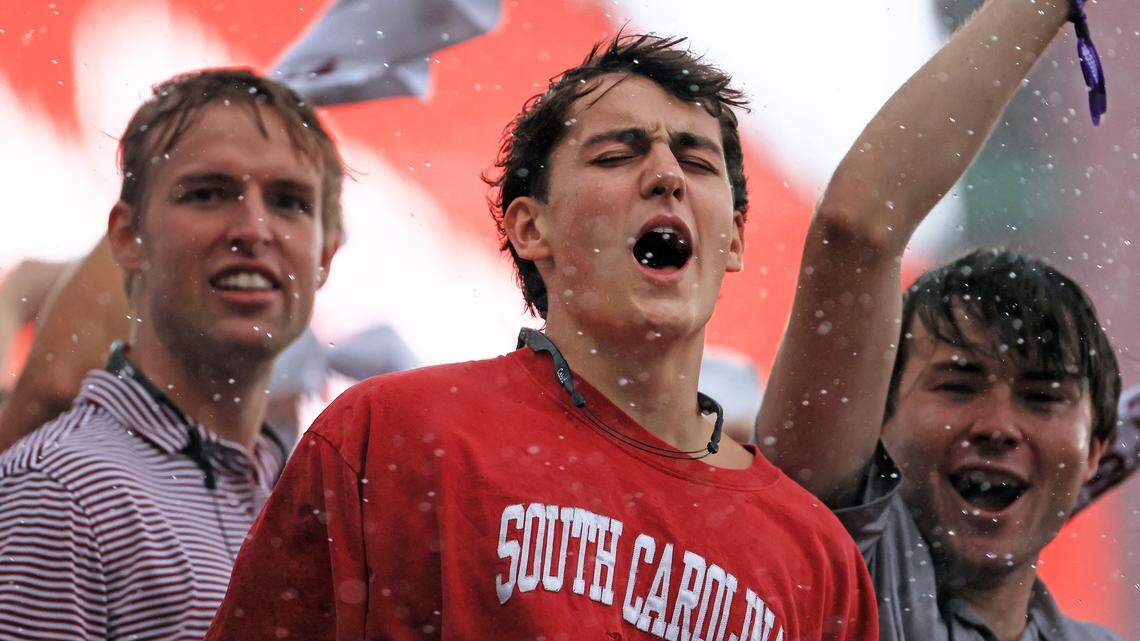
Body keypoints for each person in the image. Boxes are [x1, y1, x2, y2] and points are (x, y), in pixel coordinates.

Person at [206, 34, 878, 641]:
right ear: (531, 228)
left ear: (731, 239)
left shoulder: (817, 557)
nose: (668, 176)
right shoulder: (392, 435)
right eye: (618, 153)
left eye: (698, 163)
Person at [755, 0, 1126, 639]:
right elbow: (858, 230)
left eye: (1043, 398)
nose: (998, 428)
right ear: (881, 418)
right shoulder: (838, 563)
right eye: (957, 383)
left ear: (1096, 453)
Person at [0, 69, 343, 640]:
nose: (254, 229)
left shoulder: (295, 499)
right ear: (128, 239)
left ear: (325, 255)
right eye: (208, 193)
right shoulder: (59, 490)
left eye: (289, 202)